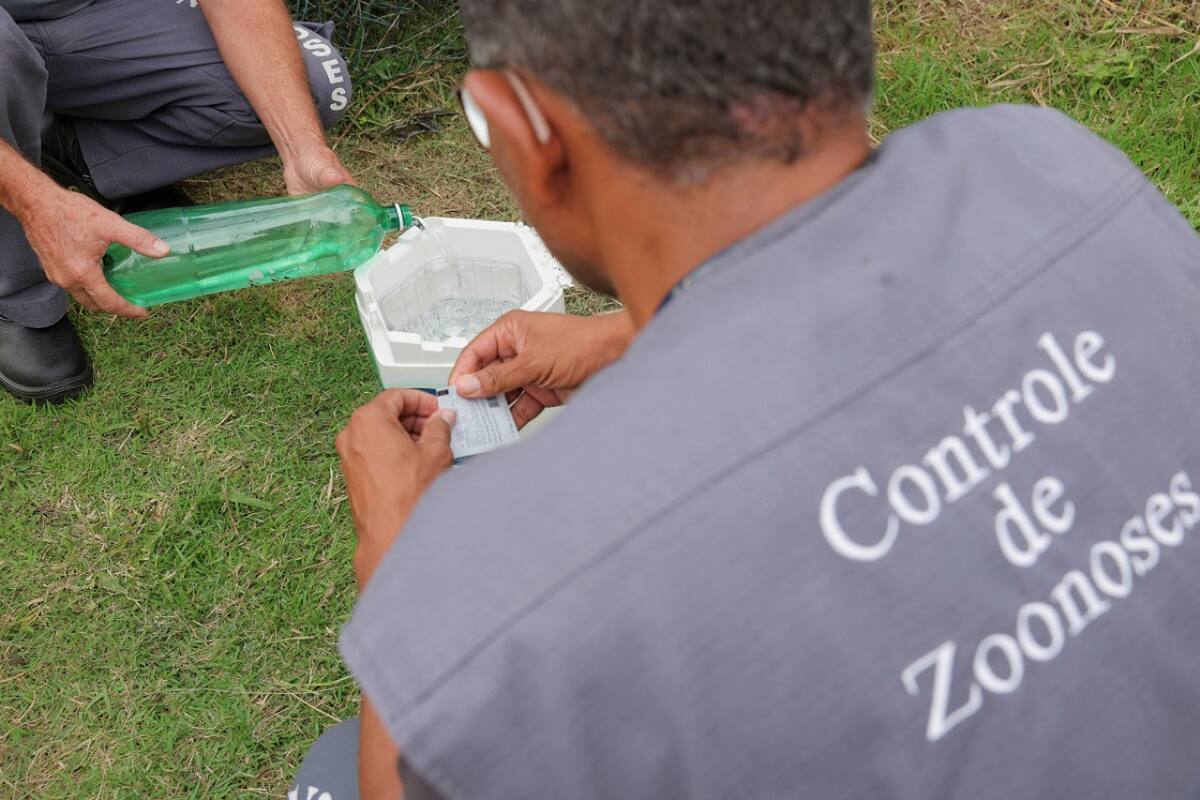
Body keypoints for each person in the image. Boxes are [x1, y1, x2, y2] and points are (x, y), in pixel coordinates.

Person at [300, 0, 1200, 797]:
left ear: (526, 134)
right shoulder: (1044, 161)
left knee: (337, 774)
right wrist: (633, 337)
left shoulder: (510, 594)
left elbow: (406, 778)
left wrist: (405, 559)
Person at [0, 0, 354, 403]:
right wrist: (35, 203)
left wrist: (301, 146)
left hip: (82, 15)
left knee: (315, 81)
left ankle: (70, 148)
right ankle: (16, 295)